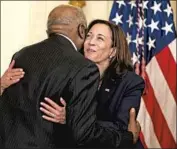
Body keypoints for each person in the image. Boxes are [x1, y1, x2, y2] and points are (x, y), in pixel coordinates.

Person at [0, 5, 141, 149]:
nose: (91, 42)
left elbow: (120, 126)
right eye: (89, 36)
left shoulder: (130, 82)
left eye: (100, 38)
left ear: (113, 50)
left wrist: (72, 118)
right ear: (81, 32)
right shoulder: (75, 68)